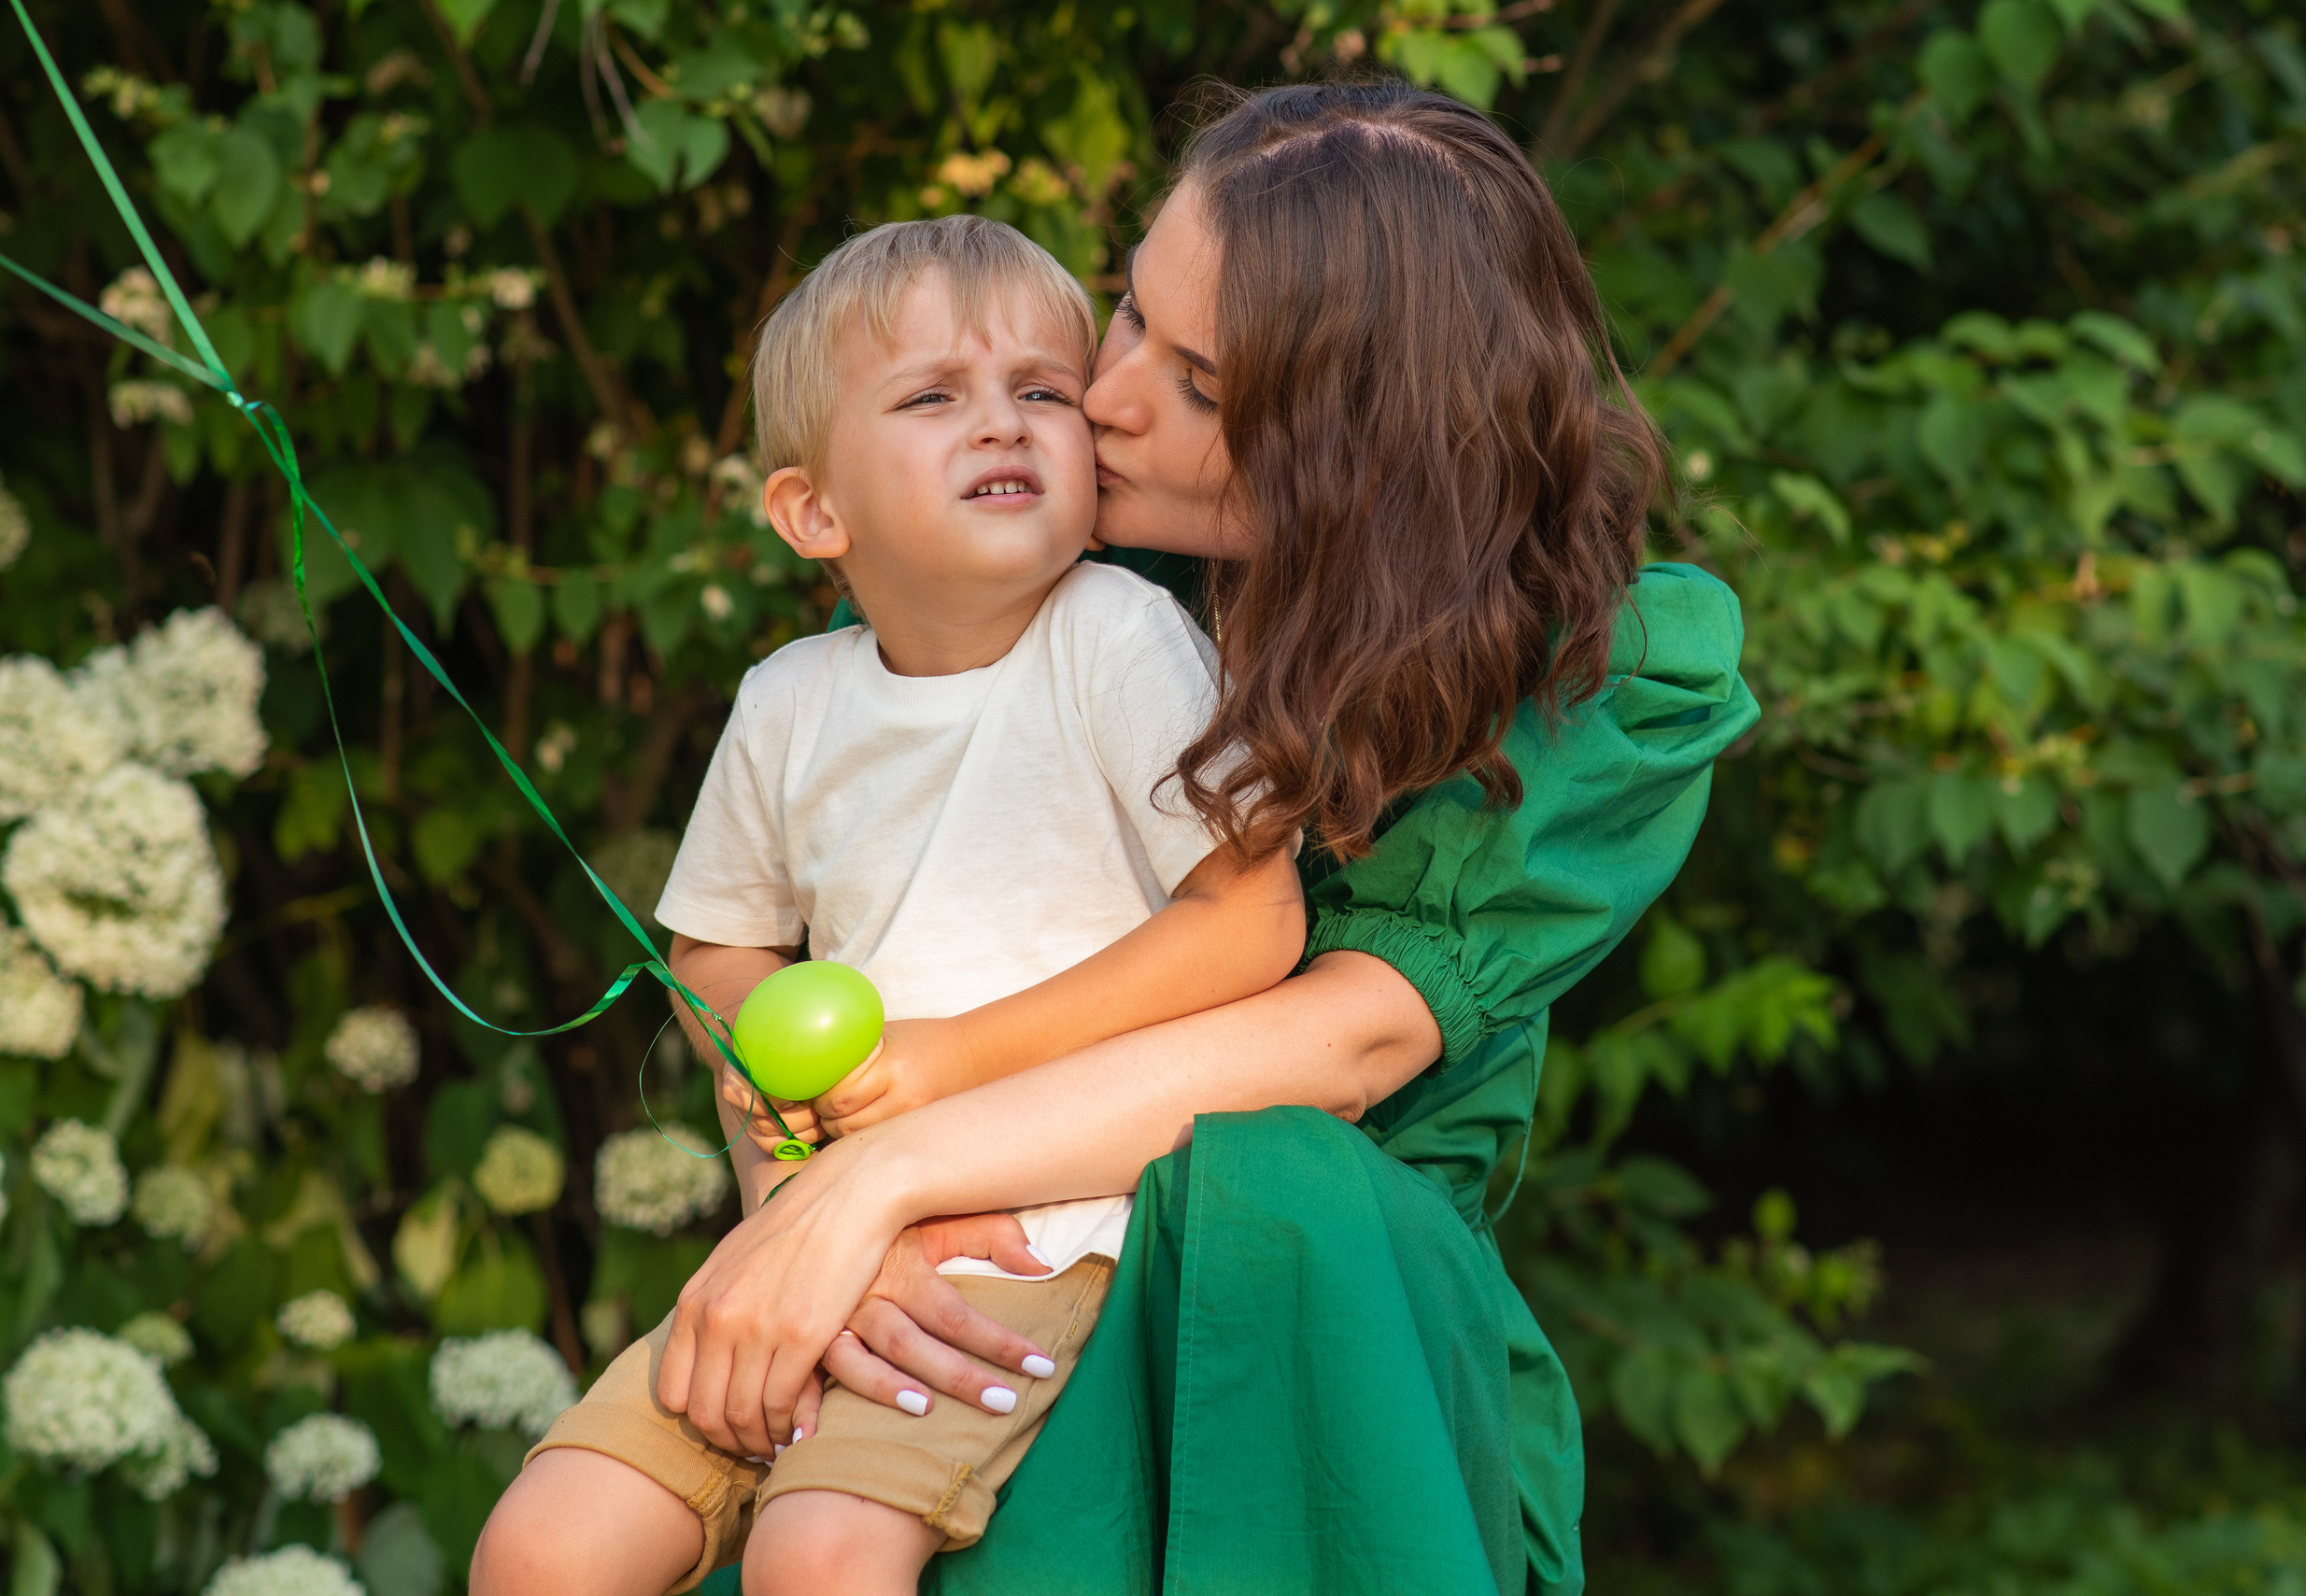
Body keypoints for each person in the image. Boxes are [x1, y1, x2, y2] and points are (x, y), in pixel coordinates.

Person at [508, 75, 1759, 1596]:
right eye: (1126, 318)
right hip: (966, 1269)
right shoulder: (1035, 594)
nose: (1100, 400)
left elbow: (1334, 1044)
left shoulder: (1598, 683)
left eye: (1204, 387)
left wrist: (884, 1175)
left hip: (1303, 1333)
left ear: (1357, 450)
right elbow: (778, 950)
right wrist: (818, 1221)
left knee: (1291, 1186)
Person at [472, 216, 1305, 1596]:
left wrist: (934, 1068)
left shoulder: (1114, 636)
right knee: (540, 1545)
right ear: (813, 513)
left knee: (821, 1555)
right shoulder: (789, 700)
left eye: (1042, 390)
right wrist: (776, 1105)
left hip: (1023, 1229)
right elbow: (716, 945)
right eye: (933, 397)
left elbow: (1252, 919)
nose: (1006, 424)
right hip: (810, 1225)